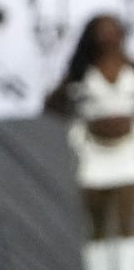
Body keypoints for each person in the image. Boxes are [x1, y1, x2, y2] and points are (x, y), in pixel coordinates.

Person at [45, 14, 134, 270]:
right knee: (97, 224)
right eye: (101, 32)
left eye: (112, 31)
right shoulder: (81, 71)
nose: (107, 37)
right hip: (93, 156)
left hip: (128, 155)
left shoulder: (130, 67)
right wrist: (78, 102)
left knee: (128, 221)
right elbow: (52, 104)